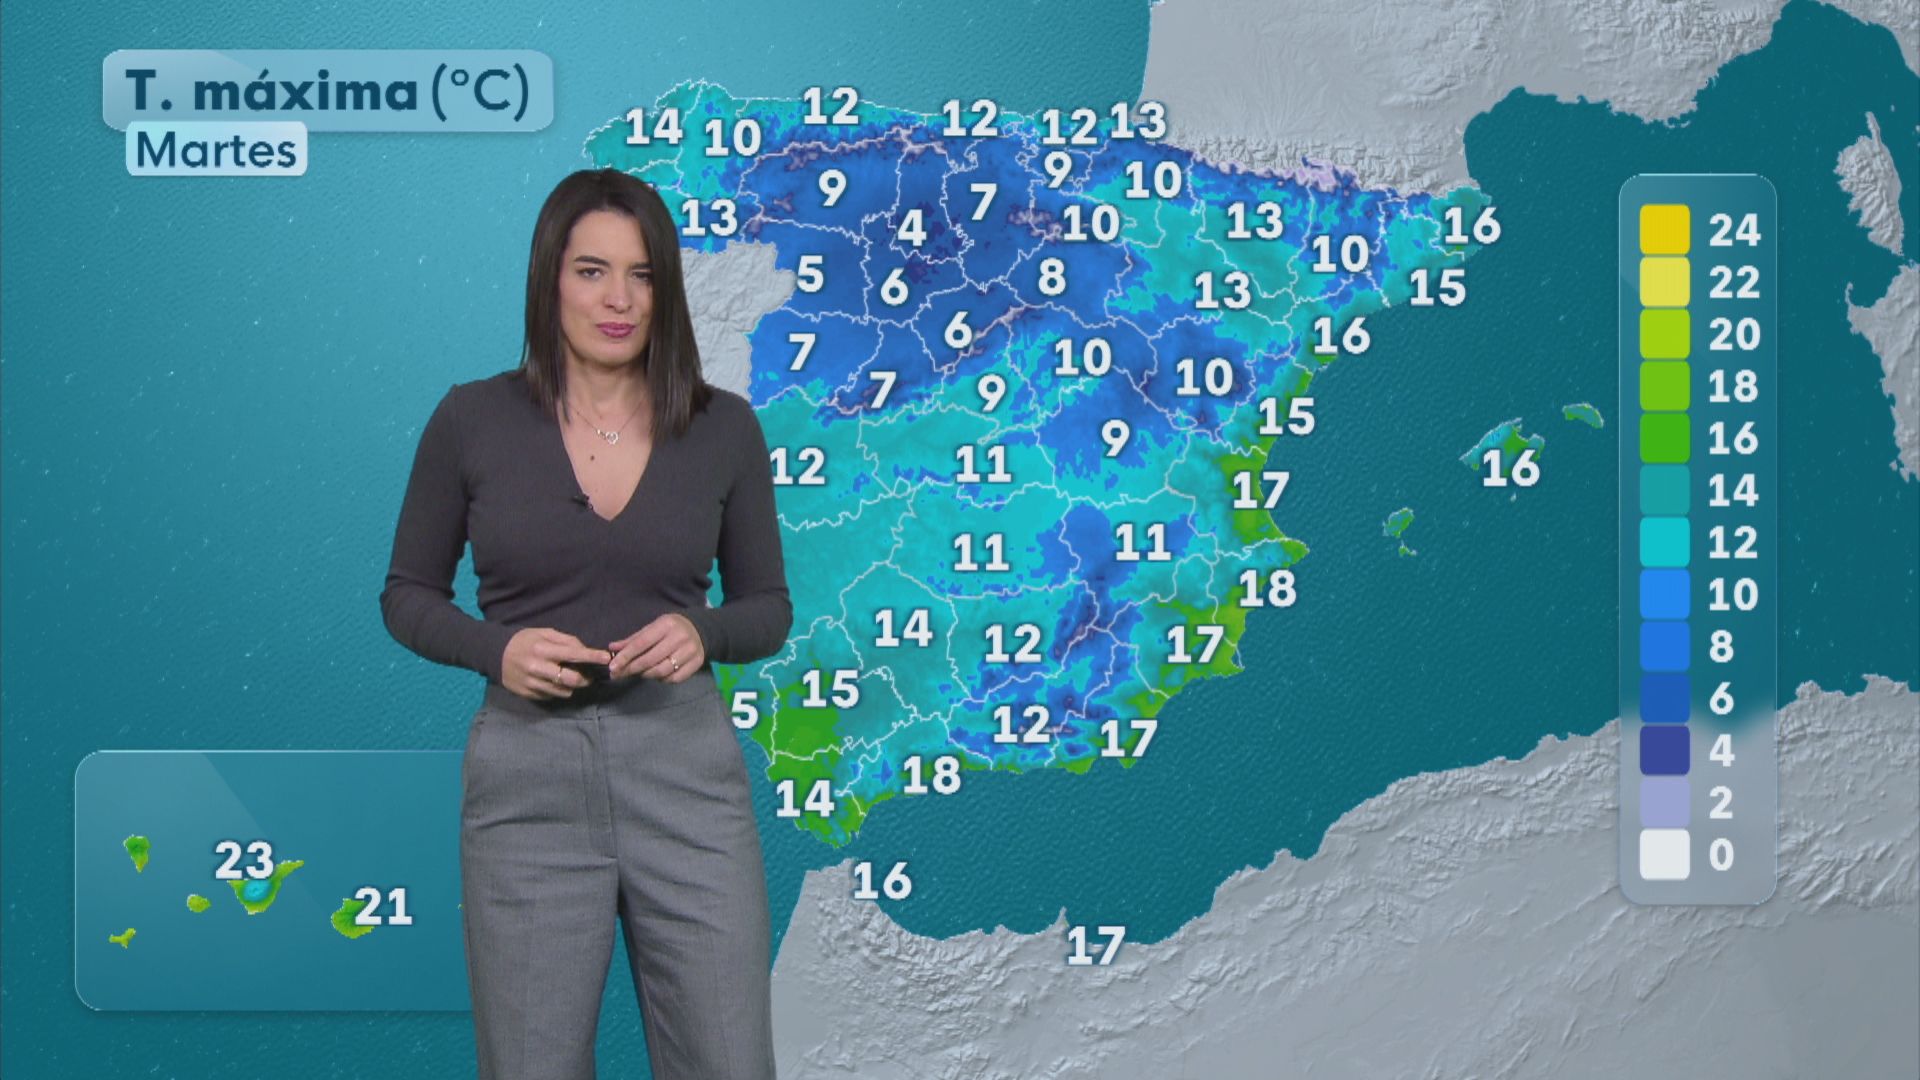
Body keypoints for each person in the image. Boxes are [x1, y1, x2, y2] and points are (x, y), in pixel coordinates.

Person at [380, 167, 791, 1080]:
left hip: (685, 776)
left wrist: (704, 633)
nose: (619, 300)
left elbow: (768, 607)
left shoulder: (724, 428)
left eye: (642, 275)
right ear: (549, 280)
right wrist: (496, 650)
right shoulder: (470, 420)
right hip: (526, 779)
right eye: (592, 271)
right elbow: (406, 594)